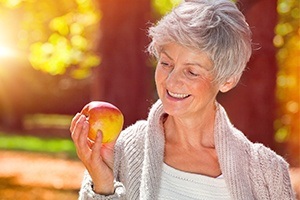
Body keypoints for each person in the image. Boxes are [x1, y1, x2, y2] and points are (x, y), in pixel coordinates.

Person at [70, 0, 296, 199]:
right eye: (166, 63)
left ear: (227, 80)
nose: (171, 81)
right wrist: (103, 186)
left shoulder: (268, 172)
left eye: (192, 72)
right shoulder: (121, 151)